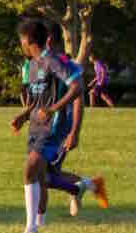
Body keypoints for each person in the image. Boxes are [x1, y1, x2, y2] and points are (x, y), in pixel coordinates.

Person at [10, 18, 82, 233]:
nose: (21, 44)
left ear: (28, 40)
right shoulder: (31, 65)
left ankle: (30, 228)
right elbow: (35, 99)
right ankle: (40, 222)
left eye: (22, 40)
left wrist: (53, 109)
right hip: (35, 127)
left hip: (53, 127)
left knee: (30, 168)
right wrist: (23, 116)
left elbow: (77, 88)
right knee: (40, 177)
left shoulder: (51, 61)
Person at [37, 28, 107, 221]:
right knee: (46, 173)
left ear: (48, 41)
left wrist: (74, 132)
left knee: (42, 175)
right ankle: (91, 185)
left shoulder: (65, 65)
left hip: (60, 130)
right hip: (47, 129)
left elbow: (78, 99)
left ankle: (87, 186)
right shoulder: (44, 64)